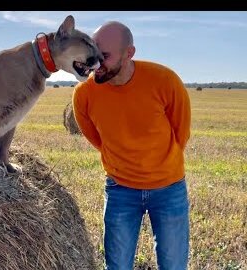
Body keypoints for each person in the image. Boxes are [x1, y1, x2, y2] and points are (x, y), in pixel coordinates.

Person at [72, 21, 191, 269]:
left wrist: (159, 165)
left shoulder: (165, 81)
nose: (96, 63)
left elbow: (181, 132)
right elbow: (95, 138)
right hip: (120, 190)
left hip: (169, 189)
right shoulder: (84, 93)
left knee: (173, 265)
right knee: (117, 266)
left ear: (129, 53)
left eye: (104, 56)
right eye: (93, 53)